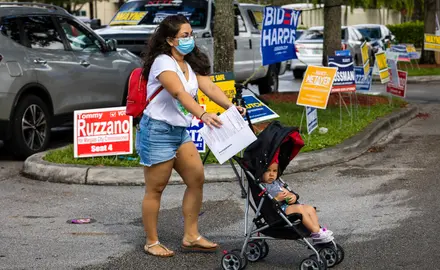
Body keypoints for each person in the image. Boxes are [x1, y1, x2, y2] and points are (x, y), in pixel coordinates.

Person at [136, 14, 246, 258]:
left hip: (179, 132)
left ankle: (191, 235)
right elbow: (178, 93)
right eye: (184, 36)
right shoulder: (163, 63)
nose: (190, 39)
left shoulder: (189, 62)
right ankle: (152, 241)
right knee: (156, 188)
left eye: (191, 34)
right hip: (158, 131)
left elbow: (210, 87)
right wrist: (202, 113)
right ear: (170, 40)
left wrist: (230, 107)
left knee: (196, 179)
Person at [262, 157, 334, 244]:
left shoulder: (277, 183)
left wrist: (292, 196)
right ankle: (316, 231)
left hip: (287, 206)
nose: (271, 174)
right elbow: (265, 204)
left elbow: (287, 192)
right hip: (278, 210)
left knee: (310, 208)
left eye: (274, 171)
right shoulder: (263, 187)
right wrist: (277, 199)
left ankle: (317, 231)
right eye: (268, 171)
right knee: (300, 209)